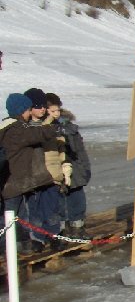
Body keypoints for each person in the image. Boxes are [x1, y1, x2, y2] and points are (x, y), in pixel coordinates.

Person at [0, 93, 61, 254]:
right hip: (11, 184)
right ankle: (8, 247)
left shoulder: (13, 126)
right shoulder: (14, 129)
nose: (29, 113)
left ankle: (21, 244)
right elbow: (34, 135)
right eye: (27, 110)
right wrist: (54, 129)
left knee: (20, 218)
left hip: (17, 183)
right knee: (11, 218)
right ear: (21, 111)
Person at [45, 93, 90, 239]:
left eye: (58, 110)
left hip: (75, 169)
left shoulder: (69, 127)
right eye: (52, 111)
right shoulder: (44, 129)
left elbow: (80, 150)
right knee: (59, 202)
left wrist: (85, 168)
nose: (56, 114)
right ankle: (62, 230)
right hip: (57, 170)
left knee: (76, 199)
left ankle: (78, 228)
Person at [24, 87, 63, 244]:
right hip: (33, 175)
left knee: (52, 206)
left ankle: (53, 235)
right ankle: (37, 238)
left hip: (50, 173)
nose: (42, 109)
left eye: (43, 106)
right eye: (38, 106)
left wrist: (64, 167)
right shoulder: (25, 127)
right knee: (34, 210)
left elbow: (59, 148)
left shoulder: (50, 124)